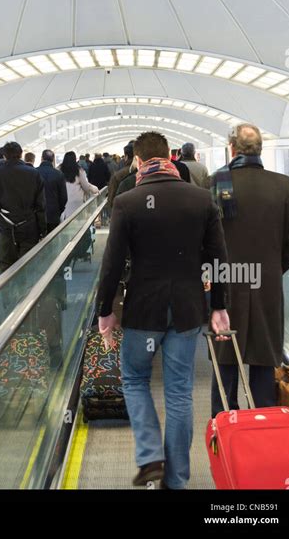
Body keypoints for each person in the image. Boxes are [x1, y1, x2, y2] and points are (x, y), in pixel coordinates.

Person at [97, 131, 229, 489]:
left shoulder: (128, 202)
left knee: (136, 380)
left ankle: (150, 455)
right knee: (180, 394)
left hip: (143, 311)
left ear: (138, 162)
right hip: (187, 310)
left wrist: (105, 310)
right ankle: (177, 481)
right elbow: (219, 259)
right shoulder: (202, 200)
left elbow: (111, 265)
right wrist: (218, 306)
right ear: (169, 157)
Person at [210, 123, 289, 416]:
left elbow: (205, 238)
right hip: (267, 285)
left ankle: (225, 424)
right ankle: (264, 423)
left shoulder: (216, 183)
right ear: (260, 149)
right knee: (264, 359)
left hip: (226, 284)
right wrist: (275, 266)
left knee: (225, 358)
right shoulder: (284, 185)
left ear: (233, 149)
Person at [0, 141, 46, 272]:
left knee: (5, 267)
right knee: (28, 268)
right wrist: (42, 229)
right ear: (21, 155)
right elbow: (41, 205)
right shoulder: (34, 173)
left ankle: (8, 292)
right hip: (29, 227)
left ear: (4, 156)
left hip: (5, 227)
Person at [59, 151, 98, 220]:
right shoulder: (79, 170)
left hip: (63, 200)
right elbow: (85, 187)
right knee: (77, 221)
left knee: (64, 222)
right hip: (77, 200)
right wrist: (90, 190)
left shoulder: (59, 170)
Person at [37, 149, 68, 233]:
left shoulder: (34, 172)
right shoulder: (59, 174)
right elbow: (64, 197)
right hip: (54, 214)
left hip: (37, 216)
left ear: (41, 158)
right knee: (53, 242)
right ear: (53, 159)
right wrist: (59, 210)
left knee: (39, 243)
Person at [107, 141, 134, 207]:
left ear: (126, 156)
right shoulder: (147, 172)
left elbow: (111, 201)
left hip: (124, 213)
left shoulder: (117, 176)